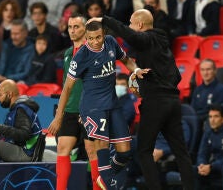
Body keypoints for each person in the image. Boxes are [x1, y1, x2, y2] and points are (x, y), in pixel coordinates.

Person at [88, 9, 195, 190]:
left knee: (144, 151)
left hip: (155, 103)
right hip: (173, 102)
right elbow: (176, 76)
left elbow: (130, 36)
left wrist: (104, 20)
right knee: (181, 152)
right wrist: (149, 85)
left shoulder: (147, 39)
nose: (129, 26)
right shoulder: (163, 44)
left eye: (131, 23)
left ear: (139, 25)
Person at [48, 20, 148, 189]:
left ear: (104, 35)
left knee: (125, 152)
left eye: (98, 37)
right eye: (91, 38)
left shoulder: (110, 42)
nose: (95, 42)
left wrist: (136, 70)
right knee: (99, 149)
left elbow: (126, 60)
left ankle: (103, 180)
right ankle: (107, 183)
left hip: (113, 105)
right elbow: (66, 89)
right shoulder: (81, 57)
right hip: (92, 108)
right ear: (86, 38)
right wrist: (59, 117)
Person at [50, 13, 100, 190]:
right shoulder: (68, 53)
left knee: (92, 151)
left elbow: (97, 82)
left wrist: (89, 108)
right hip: (70, 109)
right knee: (63, 147)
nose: (72, 30)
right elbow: (66, 85)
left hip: (90, 109)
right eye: (70, 27)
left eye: (76, 27)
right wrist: (59, 113)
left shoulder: (94, 51)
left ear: (85, 29)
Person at [0, 79, 43, 163]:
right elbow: (14, 133)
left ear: (9, 94)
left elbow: (24, 134)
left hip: (26, 153)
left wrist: (0, 128)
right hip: (23, 149)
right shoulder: (17, 109)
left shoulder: (21, 109)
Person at [0, 19, 34, 85]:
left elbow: (27, 73)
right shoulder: (6, 45)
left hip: (19, 84)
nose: (13, 37)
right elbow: (0, 67)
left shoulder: (32, 49)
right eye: (12, 33)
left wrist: (6, 78)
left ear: (25, 34)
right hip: (3, 83)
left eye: (17, 34)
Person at [191, 59, 223, 123]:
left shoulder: (222, 90)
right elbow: (192, 110)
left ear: (215, 71)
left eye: (208, 69)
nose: (205, 73)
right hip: (196, 122)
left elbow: (216, 112)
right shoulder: (197, 90)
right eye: (202, 70)